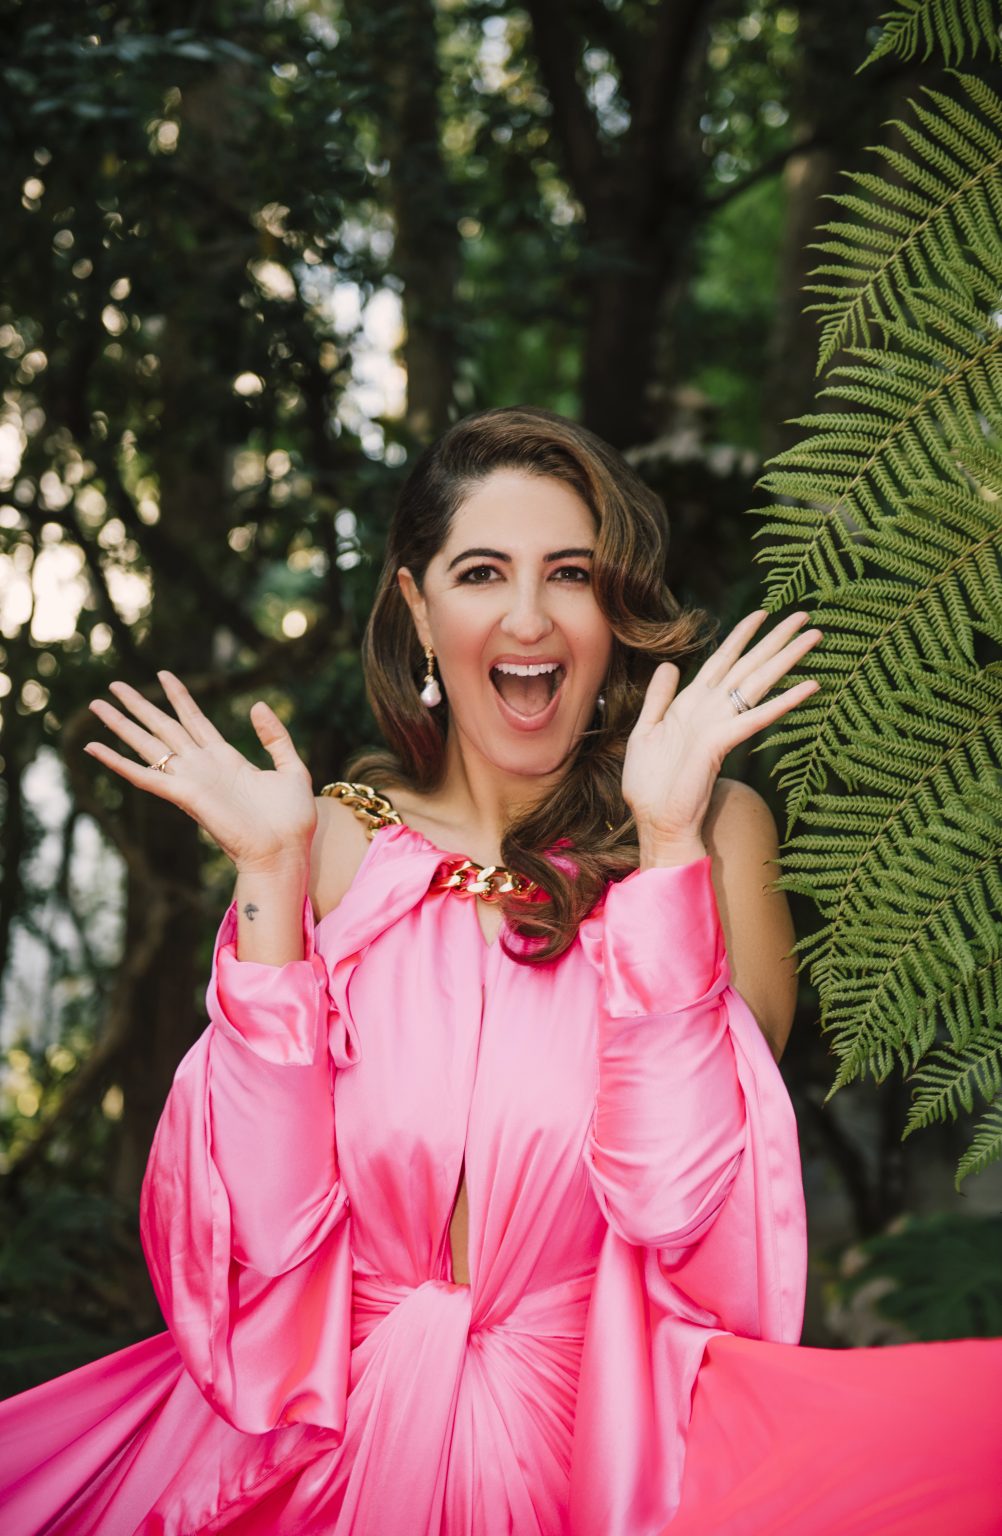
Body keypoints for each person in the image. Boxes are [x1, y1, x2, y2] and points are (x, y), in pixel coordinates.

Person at [1, 404, 1000, 1535]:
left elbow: (678, 1209)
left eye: (571, 573)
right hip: (322, 1455)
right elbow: (264, 1236)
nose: (529, 616)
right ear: (419, 608)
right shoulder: (330, 841)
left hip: (597, 1461)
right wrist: (271, 873)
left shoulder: (716, 831)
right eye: (482, 572)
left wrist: (667, 846)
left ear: (614, 609)